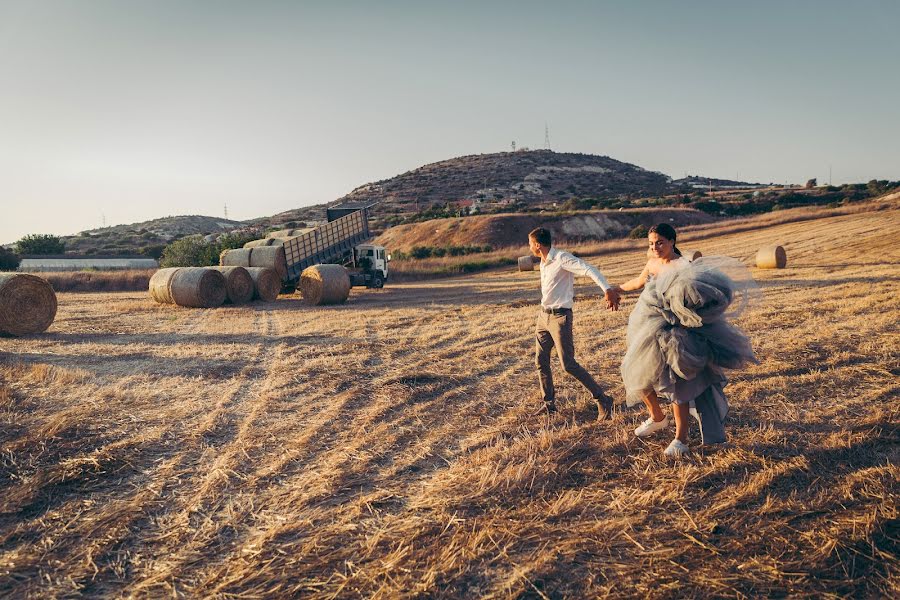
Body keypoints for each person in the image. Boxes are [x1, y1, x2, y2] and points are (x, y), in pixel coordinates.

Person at [610, 223, 757, 457]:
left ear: (672, 241)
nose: (655, 247)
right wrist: (614, 288)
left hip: (677, 332)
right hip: (646, 327)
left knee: (678, 384)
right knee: (638, 374)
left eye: (660, 242)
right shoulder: (652, 262)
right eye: (651, 243)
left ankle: (681, 439)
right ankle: (657, 417)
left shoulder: (684, 267)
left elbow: (698, 298)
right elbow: (637, 283)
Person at [528, 227, 620, 420]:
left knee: (568, 364)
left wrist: (607, 289)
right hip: (543, 317)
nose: (529, 247)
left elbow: (589, 269)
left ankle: (603, 399)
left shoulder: (561, 258)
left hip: (560, 317)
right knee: (540, 361)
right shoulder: (543, 263)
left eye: (530, 244)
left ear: (537, 245)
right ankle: (549, 404)